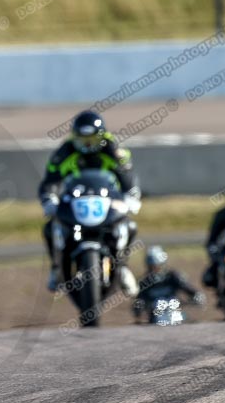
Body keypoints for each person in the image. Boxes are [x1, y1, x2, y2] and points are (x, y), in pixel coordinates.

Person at [38, 110, 141, 294]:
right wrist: (49, 199)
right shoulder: (64, 153)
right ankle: (56, 269)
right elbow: (50, 181)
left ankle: (123, 266)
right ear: (74, 137)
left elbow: (128, 177)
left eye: (92, 139)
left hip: (107, 201)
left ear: (101, 137)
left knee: (129, 226)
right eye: (82, 139)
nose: (87, 144)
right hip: (75, 202)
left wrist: (131, 197)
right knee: (50, 228)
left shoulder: (113, 150)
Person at [133, 245, 205, 320]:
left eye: (156, 266)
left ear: (162, 264)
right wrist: (139, 309)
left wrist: (195, 298)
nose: (153, 270)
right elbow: (139, 301)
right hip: (155, 319)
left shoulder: (173, 277)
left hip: (175, 315)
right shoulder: (144, 282)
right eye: (151, 267)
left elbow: (193, 292)